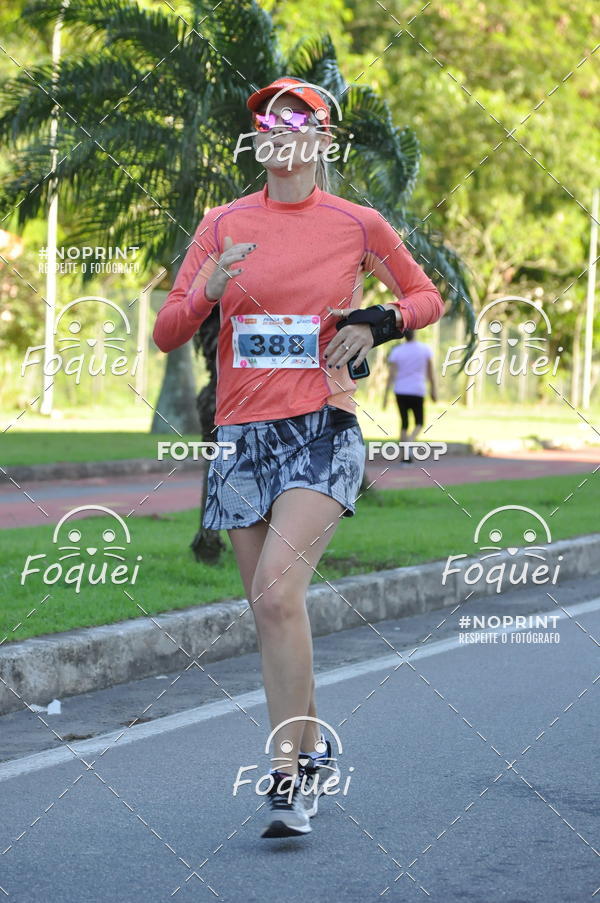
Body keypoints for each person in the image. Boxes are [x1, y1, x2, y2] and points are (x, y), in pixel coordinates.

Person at [153, 76, 445, 838]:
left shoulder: (357, 223)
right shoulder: (221, 223)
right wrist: (206, 290)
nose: (281, 132)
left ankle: (284, 772)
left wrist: (375, 321)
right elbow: (168, 331)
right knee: (271, 611)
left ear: (322, 139)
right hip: (241, 438)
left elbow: (426, 296)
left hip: (323, 425)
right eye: (267, 121)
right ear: (257, 138)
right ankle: (312, 757)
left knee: (279, 594)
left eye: (298, 121)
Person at [384, 328, 437, 459]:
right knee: (419, 422)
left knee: (404, 423)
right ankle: (410, 441)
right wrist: (433, 390)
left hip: (400, 390)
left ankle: (404, 457)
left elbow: (390, 375)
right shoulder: (425, 349)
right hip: (417, 390)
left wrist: (385, 396)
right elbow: (431, 373)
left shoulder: (397, 351)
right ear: (415, 333)